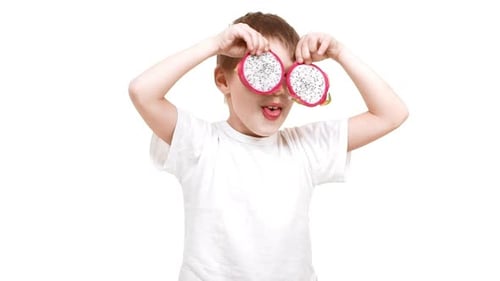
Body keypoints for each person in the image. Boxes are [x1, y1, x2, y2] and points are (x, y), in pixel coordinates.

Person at [128, 11, 408, 281]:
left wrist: (339, 52)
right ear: (223, 80)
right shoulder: (199, 143)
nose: (278, 90)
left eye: (289, 77)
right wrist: (215, 44)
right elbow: (142, 91)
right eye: (263, 71)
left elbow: (391, 114)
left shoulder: (303, 147)